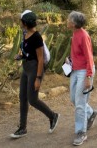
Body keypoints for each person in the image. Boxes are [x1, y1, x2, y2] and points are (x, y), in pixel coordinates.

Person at [10, 10, 60, 139]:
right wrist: (21, 56)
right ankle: (22, 128)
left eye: (21, 21)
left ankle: (53, 115)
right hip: (26, 67)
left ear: (25, 23)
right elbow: (27, 50)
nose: (20, 22)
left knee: (32, 99)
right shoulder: (25, 33)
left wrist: (38, 78)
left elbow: (40, 59)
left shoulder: (37, 37)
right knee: (23, 97)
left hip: (34, 68)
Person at [66, 11, 97, 146]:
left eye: (68, 19)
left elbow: (89, 57)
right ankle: (91, 113)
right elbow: (77, 53)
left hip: (84, 71)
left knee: (79, 103)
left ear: (73, 23)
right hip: (75, 70)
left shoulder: (83, 35)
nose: (66, 21)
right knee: (74, 99)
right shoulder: (75, 34)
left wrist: (88, 77)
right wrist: (69, 60)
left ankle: (81, 132)